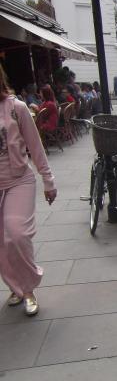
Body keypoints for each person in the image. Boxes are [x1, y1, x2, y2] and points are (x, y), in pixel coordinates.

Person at [0, 65, 56, 316]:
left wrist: (48, 181)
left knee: (17, 235)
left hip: (19, 180)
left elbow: (35, 147)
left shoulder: (16, 108)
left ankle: (29, 288)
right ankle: (16, 287)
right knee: (2, 244)